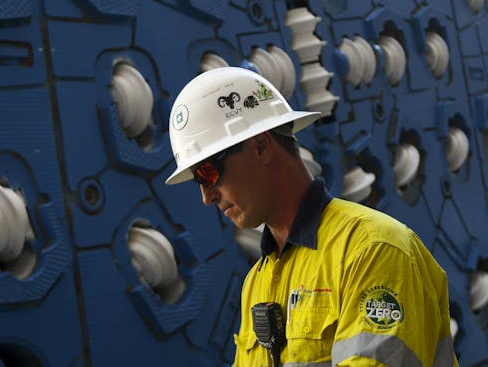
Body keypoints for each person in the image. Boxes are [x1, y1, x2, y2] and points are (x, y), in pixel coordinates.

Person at [165, 67, 457, 366]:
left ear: (261, 147)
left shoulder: (373, 250)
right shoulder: (257, 282)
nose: (206, 196)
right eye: (198, 182)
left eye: (208, 173)